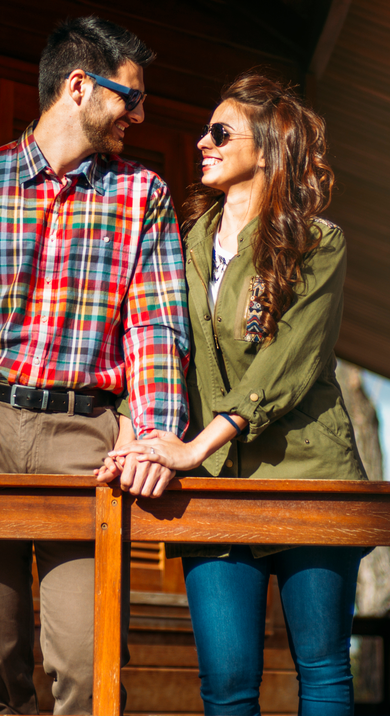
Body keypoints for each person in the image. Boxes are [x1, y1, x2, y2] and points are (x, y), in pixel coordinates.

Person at [0, 16, 189, 716]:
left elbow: (156, 327)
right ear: (79, 86)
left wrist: (148, 435)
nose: (140, 115)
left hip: (83, 442)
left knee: (87, 671)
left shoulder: (142, 195)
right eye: (132, 96)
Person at [105, 70, 368, 716]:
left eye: (220, 131)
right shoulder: (182, 246)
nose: (202, 142)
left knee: (324, 673)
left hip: (310, 479)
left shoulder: (319, 243)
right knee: (226, 687)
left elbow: (286, 366)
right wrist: (131, 432)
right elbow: (152, 340)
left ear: (269, 145)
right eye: (204, 131)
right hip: (215, 488)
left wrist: (195, 448)